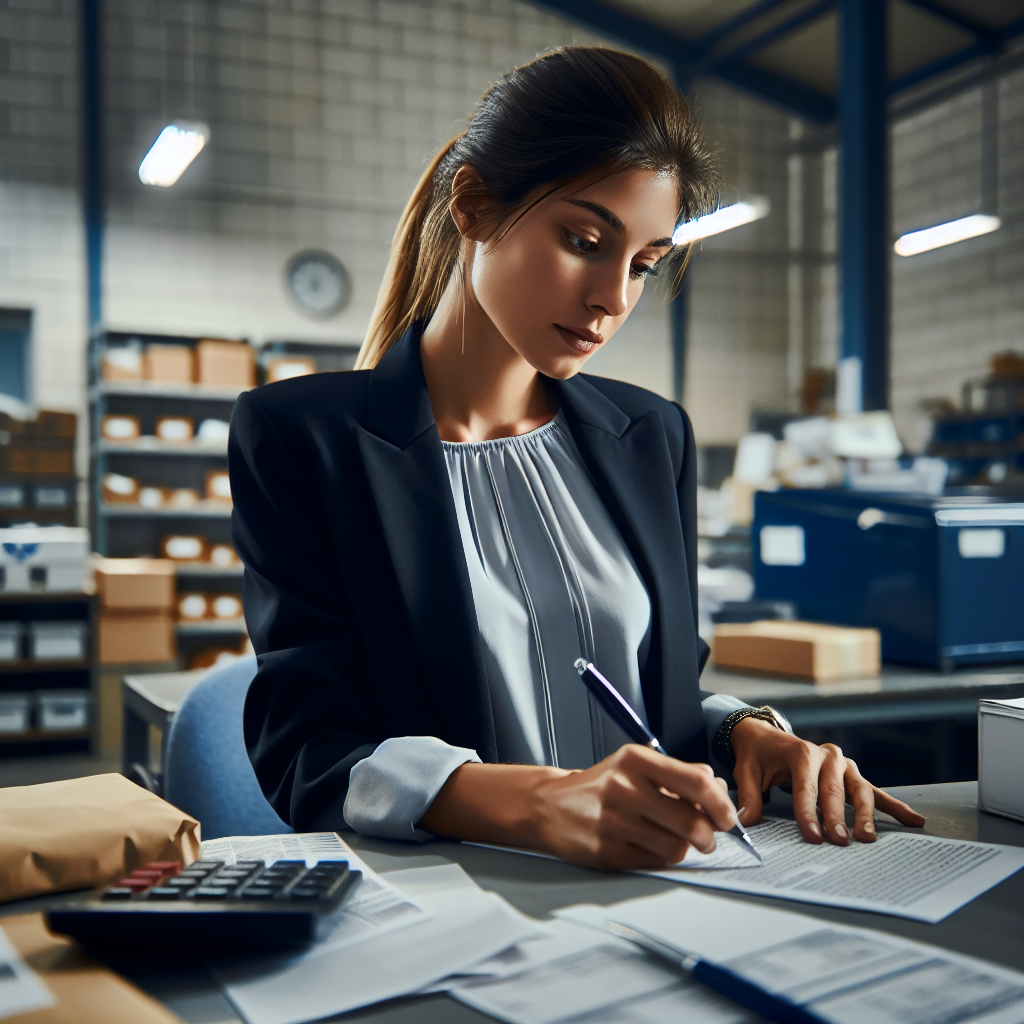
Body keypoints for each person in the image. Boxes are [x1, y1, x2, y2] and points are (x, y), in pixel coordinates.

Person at [229, 46, 924, 871]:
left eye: (642, 265)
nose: (613, 300)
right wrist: (538, 803)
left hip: (673, 890)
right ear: (476, 205)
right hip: (464, 902)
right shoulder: (304, 439)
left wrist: (745, 732)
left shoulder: (650, 436)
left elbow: (649, 695)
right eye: (584, 239)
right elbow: (307, 750)